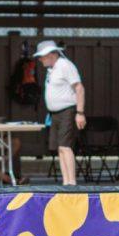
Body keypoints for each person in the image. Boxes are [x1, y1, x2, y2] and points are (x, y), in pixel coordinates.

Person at [33, 40, 85, 186]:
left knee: (65, 146)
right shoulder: (52, 69)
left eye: (42, 56)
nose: (40, 59)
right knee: (59, 148)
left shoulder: (64, 65)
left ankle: (72, 182)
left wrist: (80, 112)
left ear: (51, 54)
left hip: (67, 111)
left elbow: (79, 88)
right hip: (54, 114)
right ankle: (66, 181)